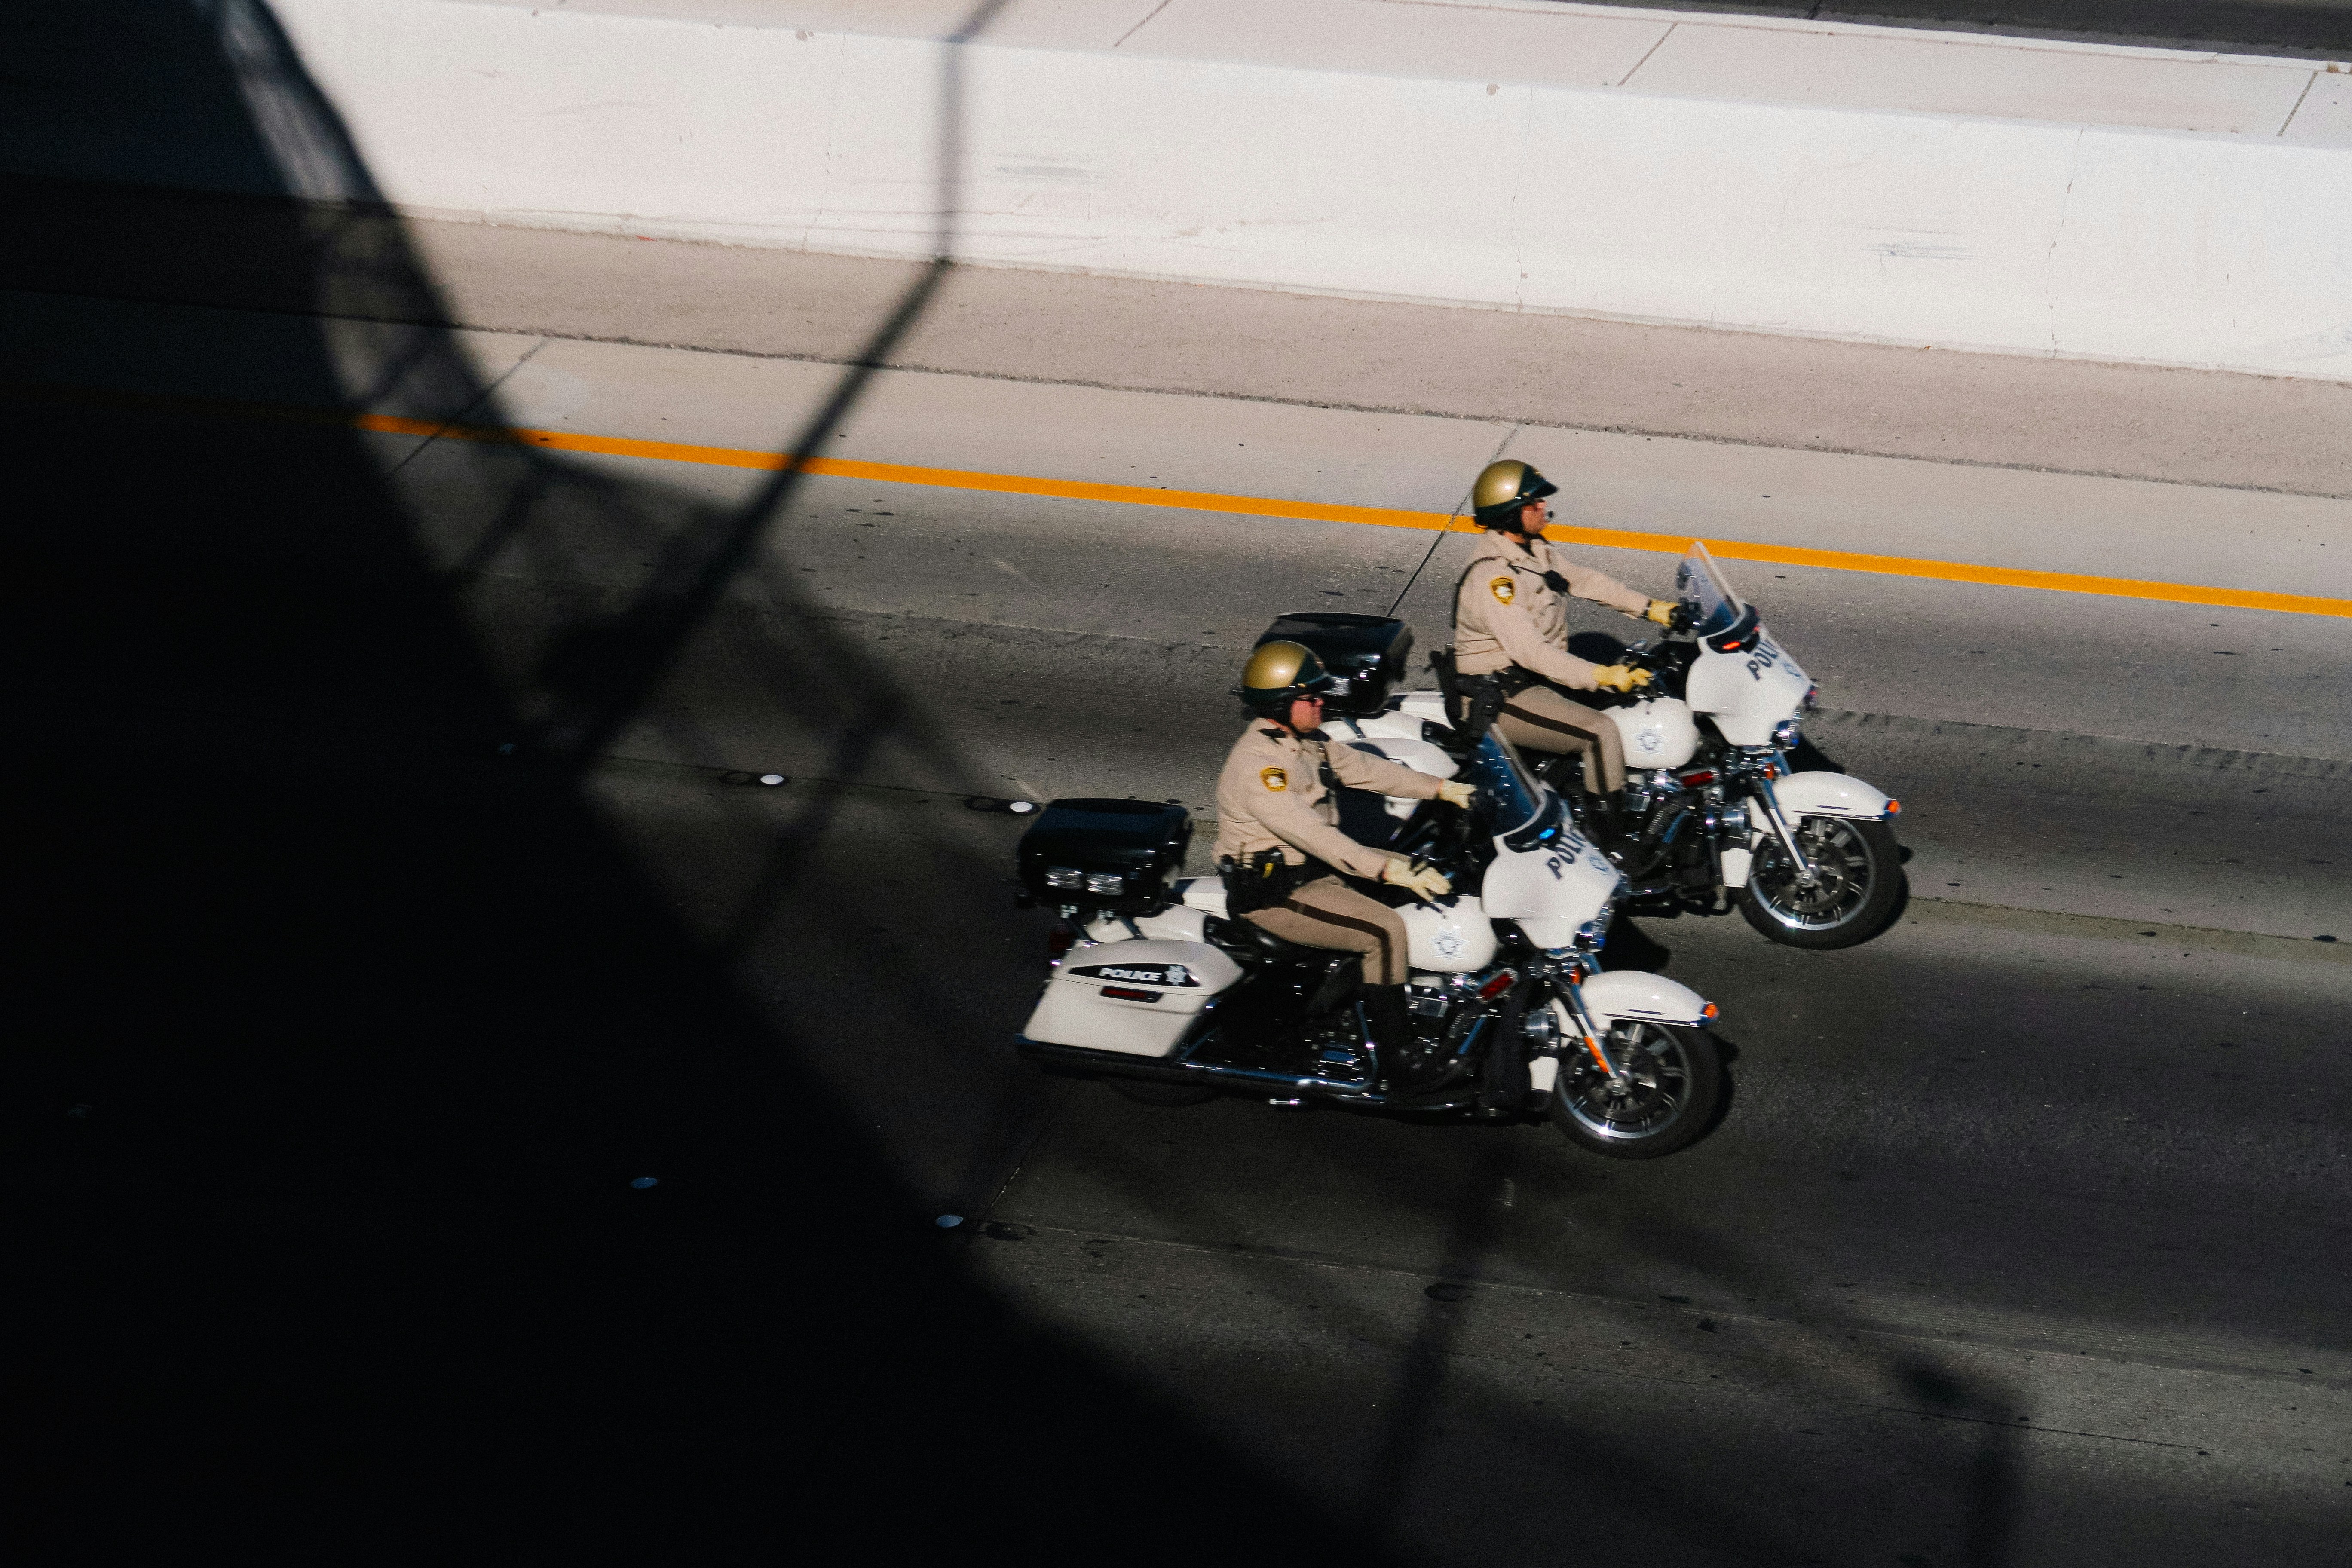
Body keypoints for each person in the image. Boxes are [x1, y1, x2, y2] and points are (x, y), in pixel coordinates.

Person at [1214, 640, 1476, 1052]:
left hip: (1316, 870)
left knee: (1433, 871)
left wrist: (1444, 788)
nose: (1323, 703)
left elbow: (1366, 770)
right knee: (1385, 933)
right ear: (1282, 704)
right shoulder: (1261, 767)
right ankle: (1398, 1055)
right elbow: (1312, 833)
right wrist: (1384, 869)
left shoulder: (1307, 741)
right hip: (1278, 892)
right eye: (1311, 696)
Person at [1451, 459, 1676, 837]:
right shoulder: (1496, 577)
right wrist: (1600, 675)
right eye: (1533, 503)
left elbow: (1585, 581)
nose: (1543, 509)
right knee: (1599, 733)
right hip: (1500, 695)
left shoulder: (1534, 551)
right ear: (1508, 514)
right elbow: (1532, 652)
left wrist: (1654, 609)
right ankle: (1614, 846)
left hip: (1530, 680)